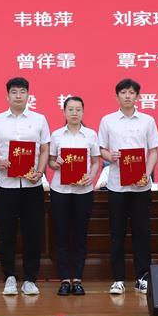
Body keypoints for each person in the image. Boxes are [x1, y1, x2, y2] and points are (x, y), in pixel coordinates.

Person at [0, 77, 50, 296]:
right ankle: (10, 277)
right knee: (6, 233)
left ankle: (30, 279)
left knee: (33, 233)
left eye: (22, 92)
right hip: (7, 185)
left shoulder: (39, 120)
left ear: (28, 95)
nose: (18, 96)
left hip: (32, 186)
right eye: (14, 92)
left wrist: (40, 172)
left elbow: (45, 149)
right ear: (7, 96)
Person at [98, 78, 158, 295]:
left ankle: (142, 277)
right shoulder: (107, 121)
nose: (127, 96)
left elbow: (154, 150)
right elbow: (101, 149)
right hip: (117, 185)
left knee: (142, 232)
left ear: (137, 96)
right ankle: (118, 279)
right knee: (117, 233)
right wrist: (110, 156)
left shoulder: (147, 120)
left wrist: (146, 173)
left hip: (141, 186)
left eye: (131, 92)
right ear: (117, 96)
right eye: (123, 92)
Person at [48, 96, 101, 296]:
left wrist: (91, 177)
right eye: (70, 109)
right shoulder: (56, 135)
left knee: (80, 235)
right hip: (60, 191)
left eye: (78, 109)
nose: (74, 113)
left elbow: (96, 161)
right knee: (61, 236)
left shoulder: (91, 134)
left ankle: (77, 279)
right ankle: (64, 279)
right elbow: (50, 161)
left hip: (83, 192)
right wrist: (56, 163)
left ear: (83, 112)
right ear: (64, 112)